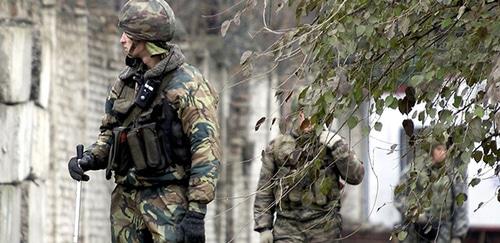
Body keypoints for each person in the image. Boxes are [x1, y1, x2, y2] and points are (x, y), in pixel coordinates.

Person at [67, 1, 221, 242]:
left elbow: (206, 149)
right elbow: (110, 133)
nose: (122, 40)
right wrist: (89, 158)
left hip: (168, 201)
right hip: (126, 203)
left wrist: (196, 212)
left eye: (128, 34)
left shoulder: (188, 85)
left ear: (145, 37)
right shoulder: (126, 82)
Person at [253, 88, 365, 243]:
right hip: (287, 226)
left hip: (325, 227)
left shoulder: (333, 143)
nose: (311, 121)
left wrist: (337, 146)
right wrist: (264, 228)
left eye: (317, 116)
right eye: (306, 115)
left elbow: (356, 176)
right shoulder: (277, 147)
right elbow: (264, 190)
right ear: (298, 115)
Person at [395, 141, 468, 243]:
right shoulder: (416, 169)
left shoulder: (452, 172)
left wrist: (458, 236)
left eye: (445, 150)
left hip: (443, 228)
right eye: (439, 149)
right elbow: (398, 195)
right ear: (431, 150)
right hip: (416, 227)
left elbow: (460, 205)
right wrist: (413, 212)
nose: (442, 153)